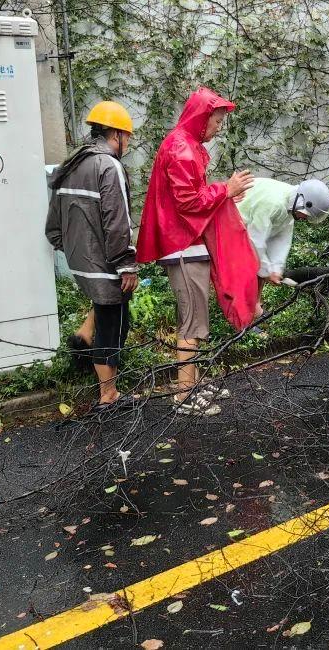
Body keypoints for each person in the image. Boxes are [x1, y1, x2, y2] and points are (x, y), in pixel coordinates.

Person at [135, 87, 256, 416]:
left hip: (184, 245)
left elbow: (190, 198)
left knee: (194, 321)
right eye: (216, 121)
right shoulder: (183, 149)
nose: (217, 128)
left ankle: (193, 385)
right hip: (184, 246)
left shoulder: (182, 145)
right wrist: (225, 189)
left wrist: (223, 193)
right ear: (202, 118)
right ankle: (184, 395)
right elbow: (188, 202)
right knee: (193, 324)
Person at [45, 101, 138, 411]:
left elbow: (53, 225)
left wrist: (73, 249)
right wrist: (126, 264)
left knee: (110, 316)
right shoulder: (107, 166)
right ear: (115, 134)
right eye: (127, 136)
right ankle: (107, 394)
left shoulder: (71, 164)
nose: (127, 143)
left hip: (82, 262)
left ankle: (84, 341)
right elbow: (117, 219)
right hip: (107, 262)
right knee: (114, 325)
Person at [237, 177, 329, 314]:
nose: (304, 218)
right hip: (231, 222)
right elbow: (255, 240)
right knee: (248, 271)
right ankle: (243, 317)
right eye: (306, 214)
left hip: (247, 230)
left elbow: (281, 239)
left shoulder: (289, 207)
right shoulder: (273, 203)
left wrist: (276, 269)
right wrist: (266, 271)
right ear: (302, 202)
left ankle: (253, 310)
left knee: (259, 268)